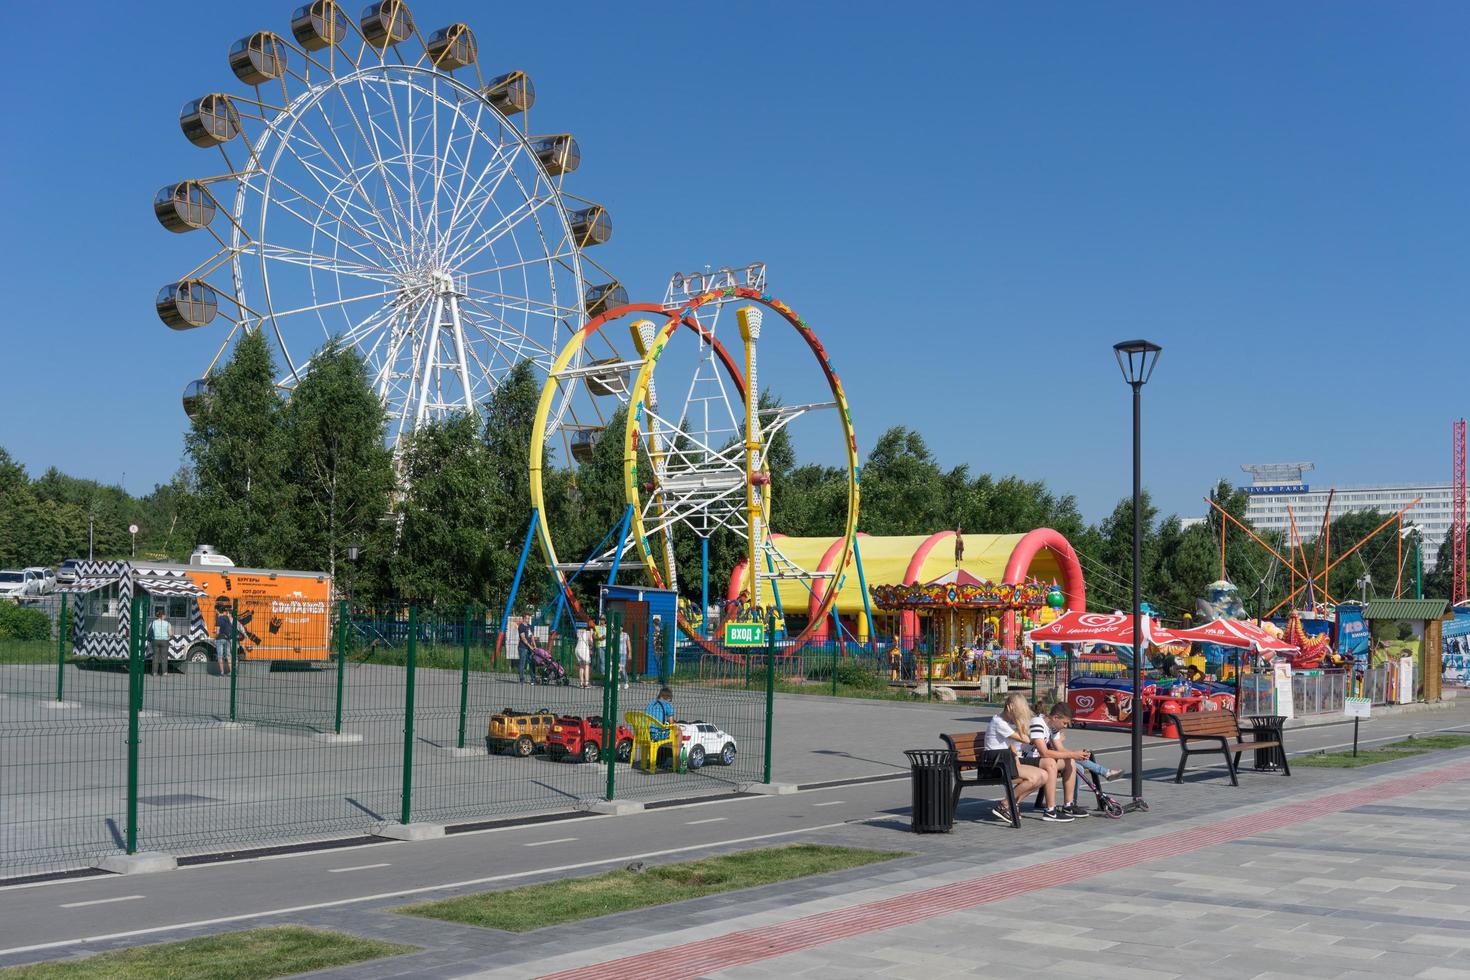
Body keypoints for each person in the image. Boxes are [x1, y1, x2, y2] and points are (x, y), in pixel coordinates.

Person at [984, 692, 1067, 822]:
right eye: (1018, 712)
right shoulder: (998, 722)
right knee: (1035, 776)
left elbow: (1011, 746)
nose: (1018, 716)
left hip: (1005, 760)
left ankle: (1009, 804)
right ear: (1010, 707)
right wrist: (1019, 721)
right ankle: (1004, 805)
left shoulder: (1006, 723)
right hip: (995, 764)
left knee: (1044, 776)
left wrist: (1016, 761)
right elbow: (1026, 739)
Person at [1046, 702, 1123, 786]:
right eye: (1064, 723)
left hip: (1048, 757)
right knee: (1074, 762)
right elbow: (1045, 751)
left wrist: (1076, 754)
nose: (1065, 726)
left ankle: (1072, 799)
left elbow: (1060, 749)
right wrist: (1074, 754)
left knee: (1079, 767)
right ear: (1055, 718)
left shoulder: (1054, 728)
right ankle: (1105, 772)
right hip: (1041, 759)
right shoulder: (1041, 725)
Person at [646, 686, 676, 768]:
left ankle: (653, 759)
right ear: (669, 698)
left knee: (657, 733)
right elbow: (671, 723)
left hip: (646, 734)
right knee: (678, 732)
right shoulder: (667, 705)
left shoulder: (650, 704)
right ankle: (677, 761)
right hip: (657, 735)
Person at [148, 607, 172, 678]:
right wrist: (169, 637)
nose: (165, 616)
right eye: (165, 615)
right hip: (164, 641)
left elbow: (149, 632)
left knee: (155, 656)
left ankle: (154, 673)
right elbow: (170, 634)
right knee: (164, 657)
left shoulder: (153, 622)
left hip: (155, 640)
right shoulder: (167, 623)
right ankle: (164, 673)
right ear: (163, 615)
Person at [213, 600, 235, 676]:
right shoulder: (227, 617)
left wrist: (214, 637)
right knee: (229, 655)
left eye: (215, 610)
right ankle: (232, 672)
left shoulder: (218, 619)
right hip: (227, 638)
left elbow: (217, 632)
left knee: (220, 656)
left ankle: (222, 672)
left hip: (220, 639)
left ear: (217, 610)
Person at [573, 619, 592, 688]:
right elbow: (590, 642)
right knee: (587, 666)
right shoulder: (588, 632)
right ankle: (586, 683)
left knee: (581, 666)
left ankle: (581, 683)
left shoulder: (578, 632)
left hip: (577, 649)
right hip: (583, 650)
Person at [618, 623, 632, 689]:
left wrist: (630, 653)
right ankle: (617, 683)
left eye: (621, 627)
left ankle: (626, 682)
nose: (620, 628)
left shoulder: (626, 635)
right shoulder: (615, 634)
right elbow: (612, 644)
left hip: (623, 653)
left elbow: (628, 644)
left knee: (622, 668)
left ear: (622, 628)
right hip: (616, 654)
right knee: (617, 668)